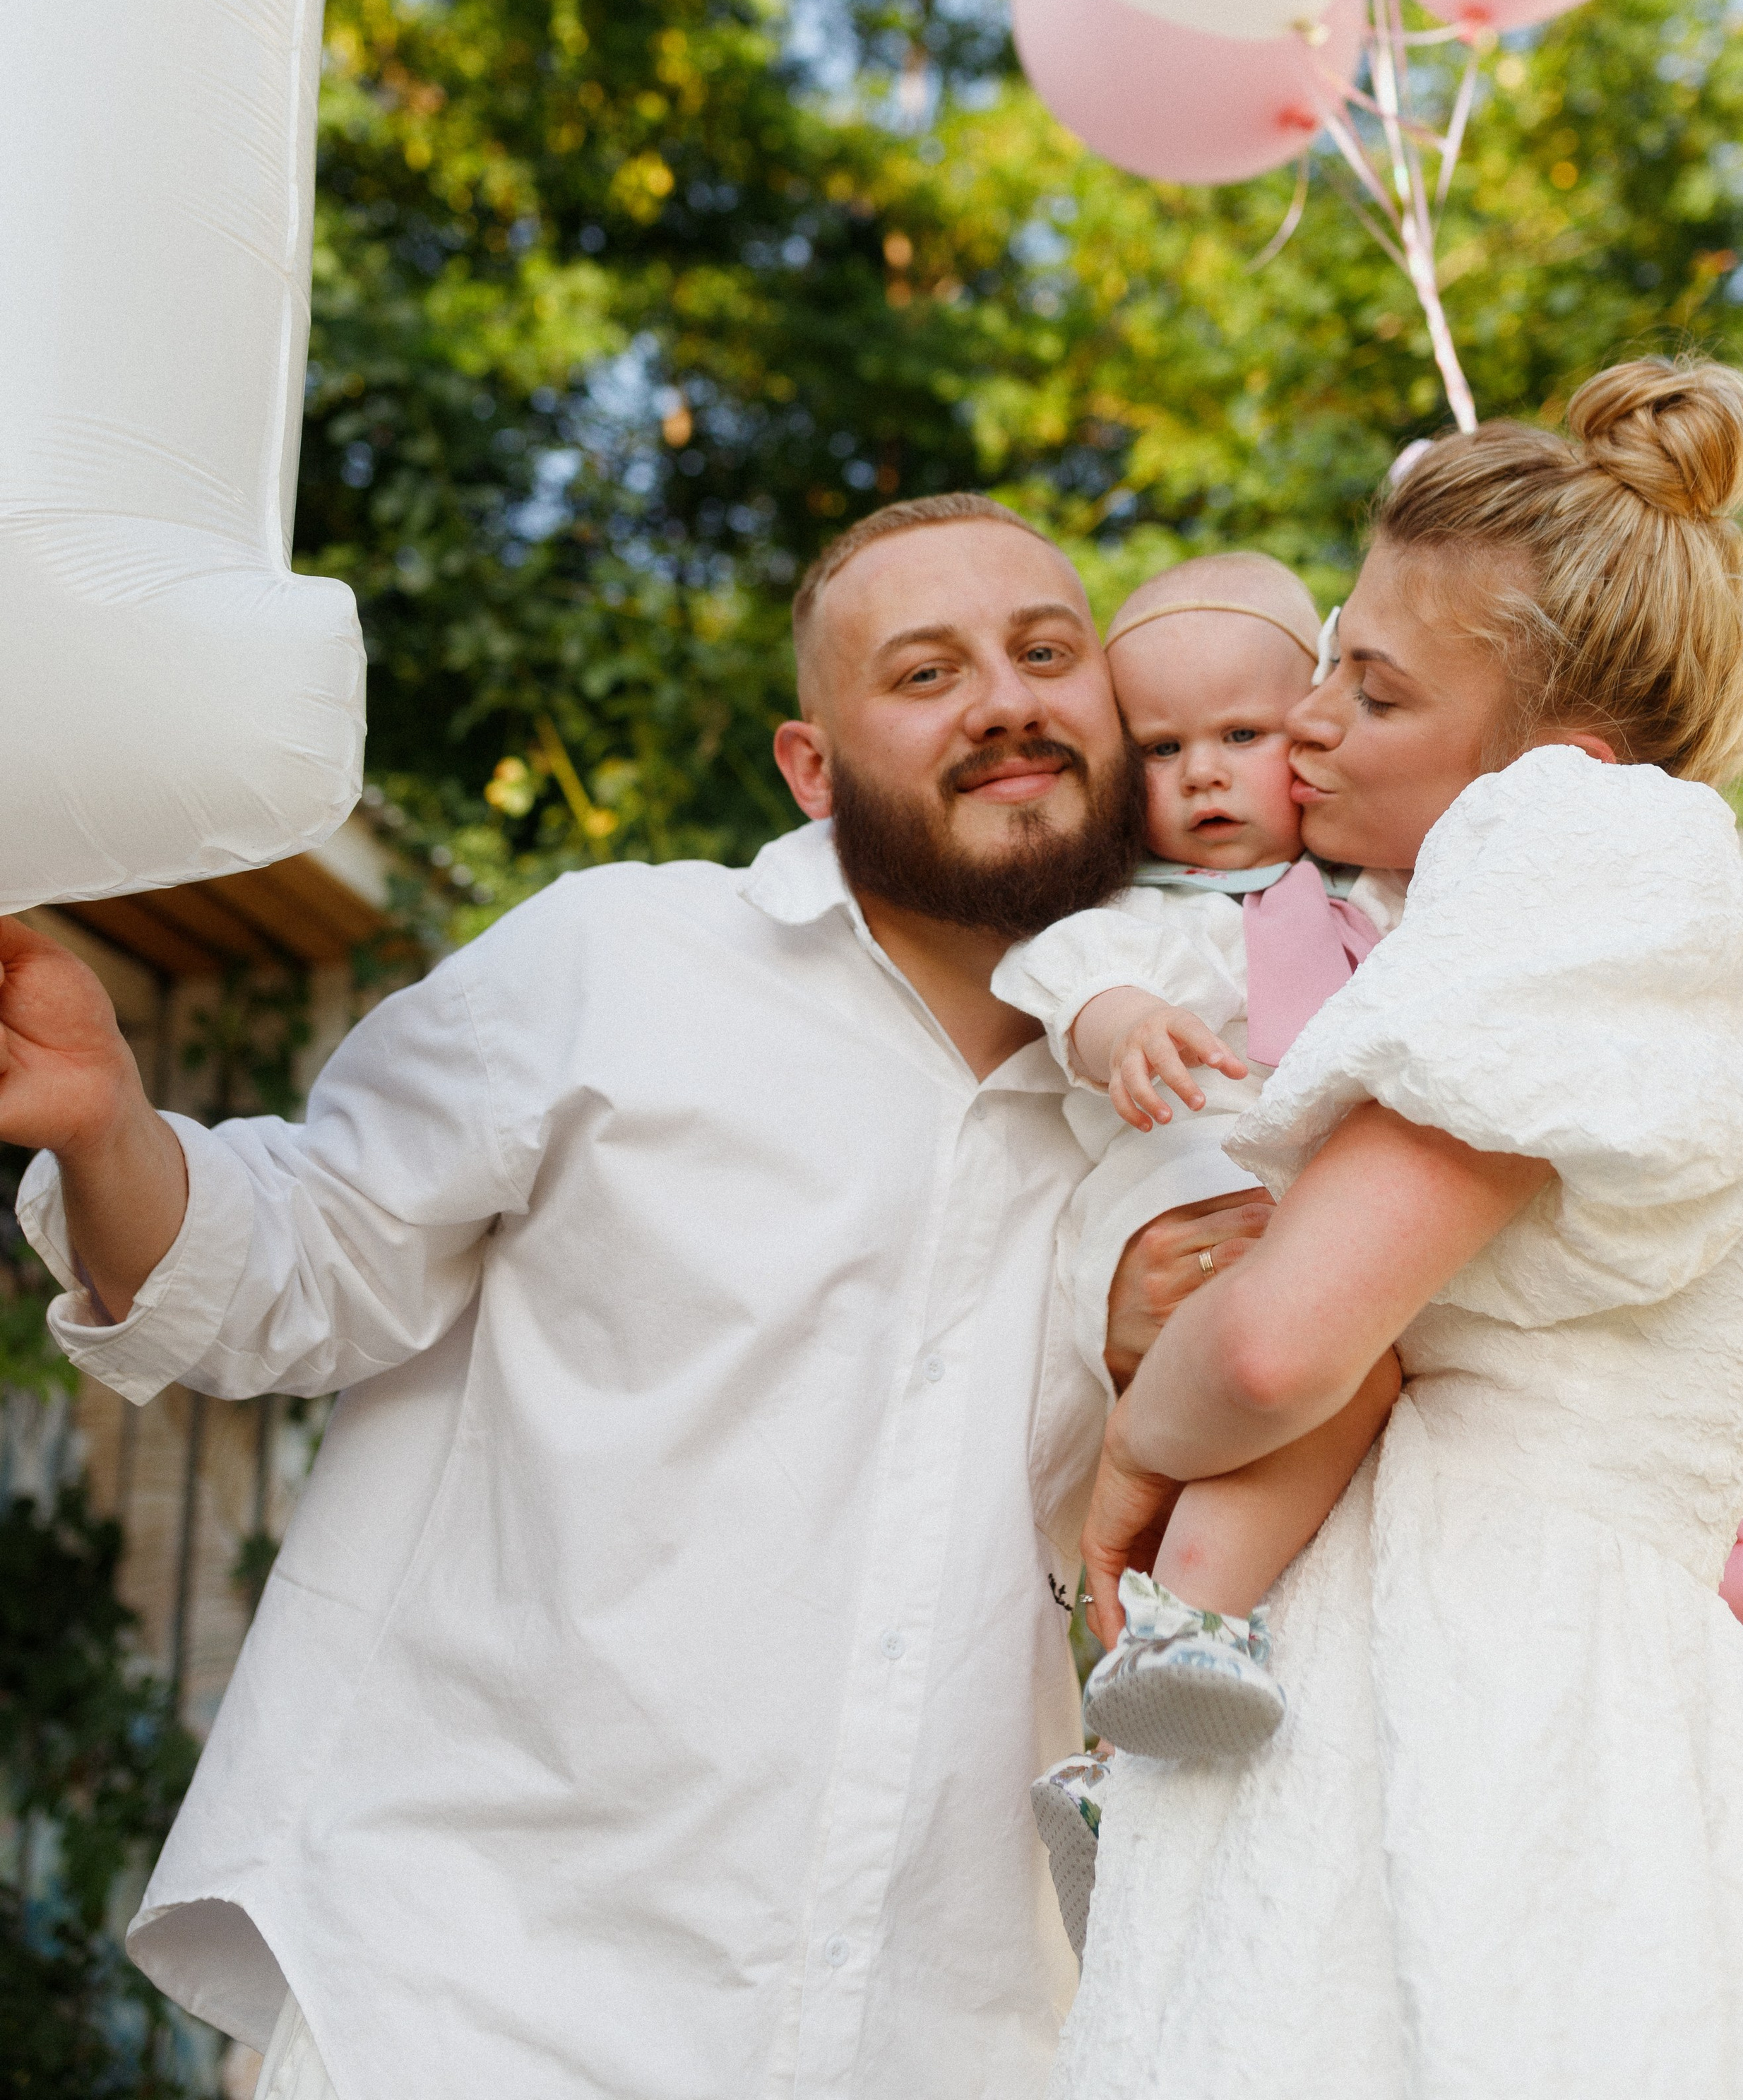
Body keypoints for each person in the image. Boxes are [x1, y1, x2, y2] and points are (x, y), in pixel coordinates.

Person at [0, 492, 1263, 2100]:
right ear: (811, 767)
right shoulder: (617, 961)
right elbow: (296, 1260)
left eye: (1043, 652)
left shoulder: (1218, 1103)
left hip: (955, 2025)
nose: (1004, 700)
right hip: (489, 1993)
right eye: (926, 672)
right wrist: (108, 1118)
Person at [1055, 358, 1743, 2100]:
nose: (1304, 719)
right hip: (1546, 1683)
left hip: (1480, 1689)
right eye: (1325, 652)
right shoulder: (1577, 912)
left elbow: (1272, 1341)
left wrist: (1130, 1462)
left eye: (1373, 693)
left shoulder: (1585, 842)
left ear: (1550, 757)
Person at [989, 553, 1405, 1944]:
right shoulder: (1149, 922)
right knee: (1300, 1370)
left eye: (1242, 735)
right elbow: (1075, 986)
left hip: (1301, 1239)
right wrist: (1121, 1032)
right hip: (1180, 1201)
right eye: (1159, 748)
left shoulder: (1375, 918)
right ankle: (1167, 1665)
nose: (1202, 776)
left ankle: (1125, 1781)